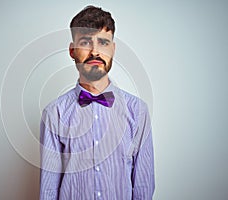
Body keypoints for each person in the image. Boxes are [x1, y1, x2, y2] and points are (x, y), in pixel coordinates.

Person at [39, 5, 155, 200]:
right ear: (72, 50)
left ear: (113, 49)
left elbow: (143, 186)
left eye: (103, 42)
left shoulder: (138, 110)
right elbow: (48, 189)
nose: (95, 51)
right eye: (85, 42)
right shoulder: (54, 113)